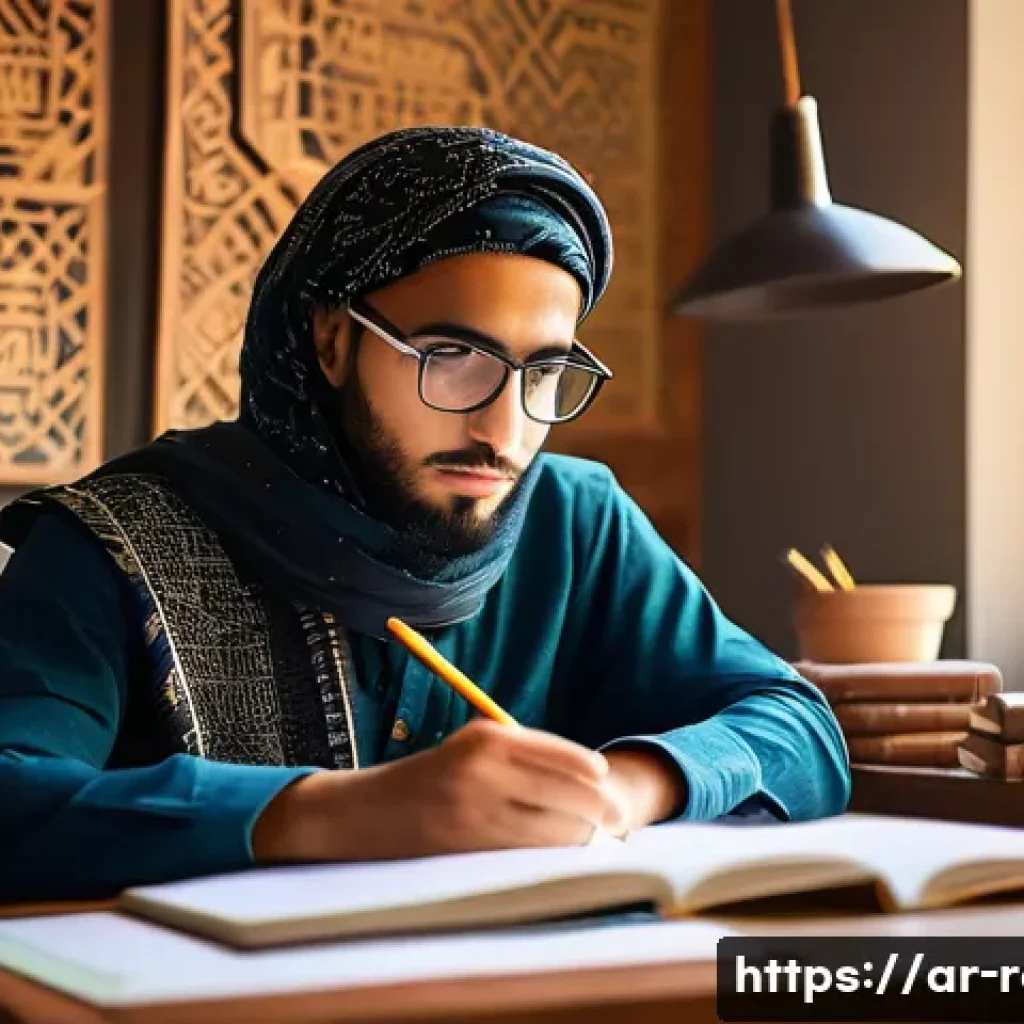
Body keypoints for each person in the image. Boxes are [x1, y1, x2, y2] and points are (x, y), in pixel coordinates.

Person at [0, 126, 850, 903]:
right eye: (451, 359)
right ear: (332, 341)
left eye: (544, 373)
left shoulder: (574, 521)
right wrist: (333, 815)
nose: (502, 429)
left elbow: (798, 727)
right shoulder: (117, 540)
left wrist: (629, 787)